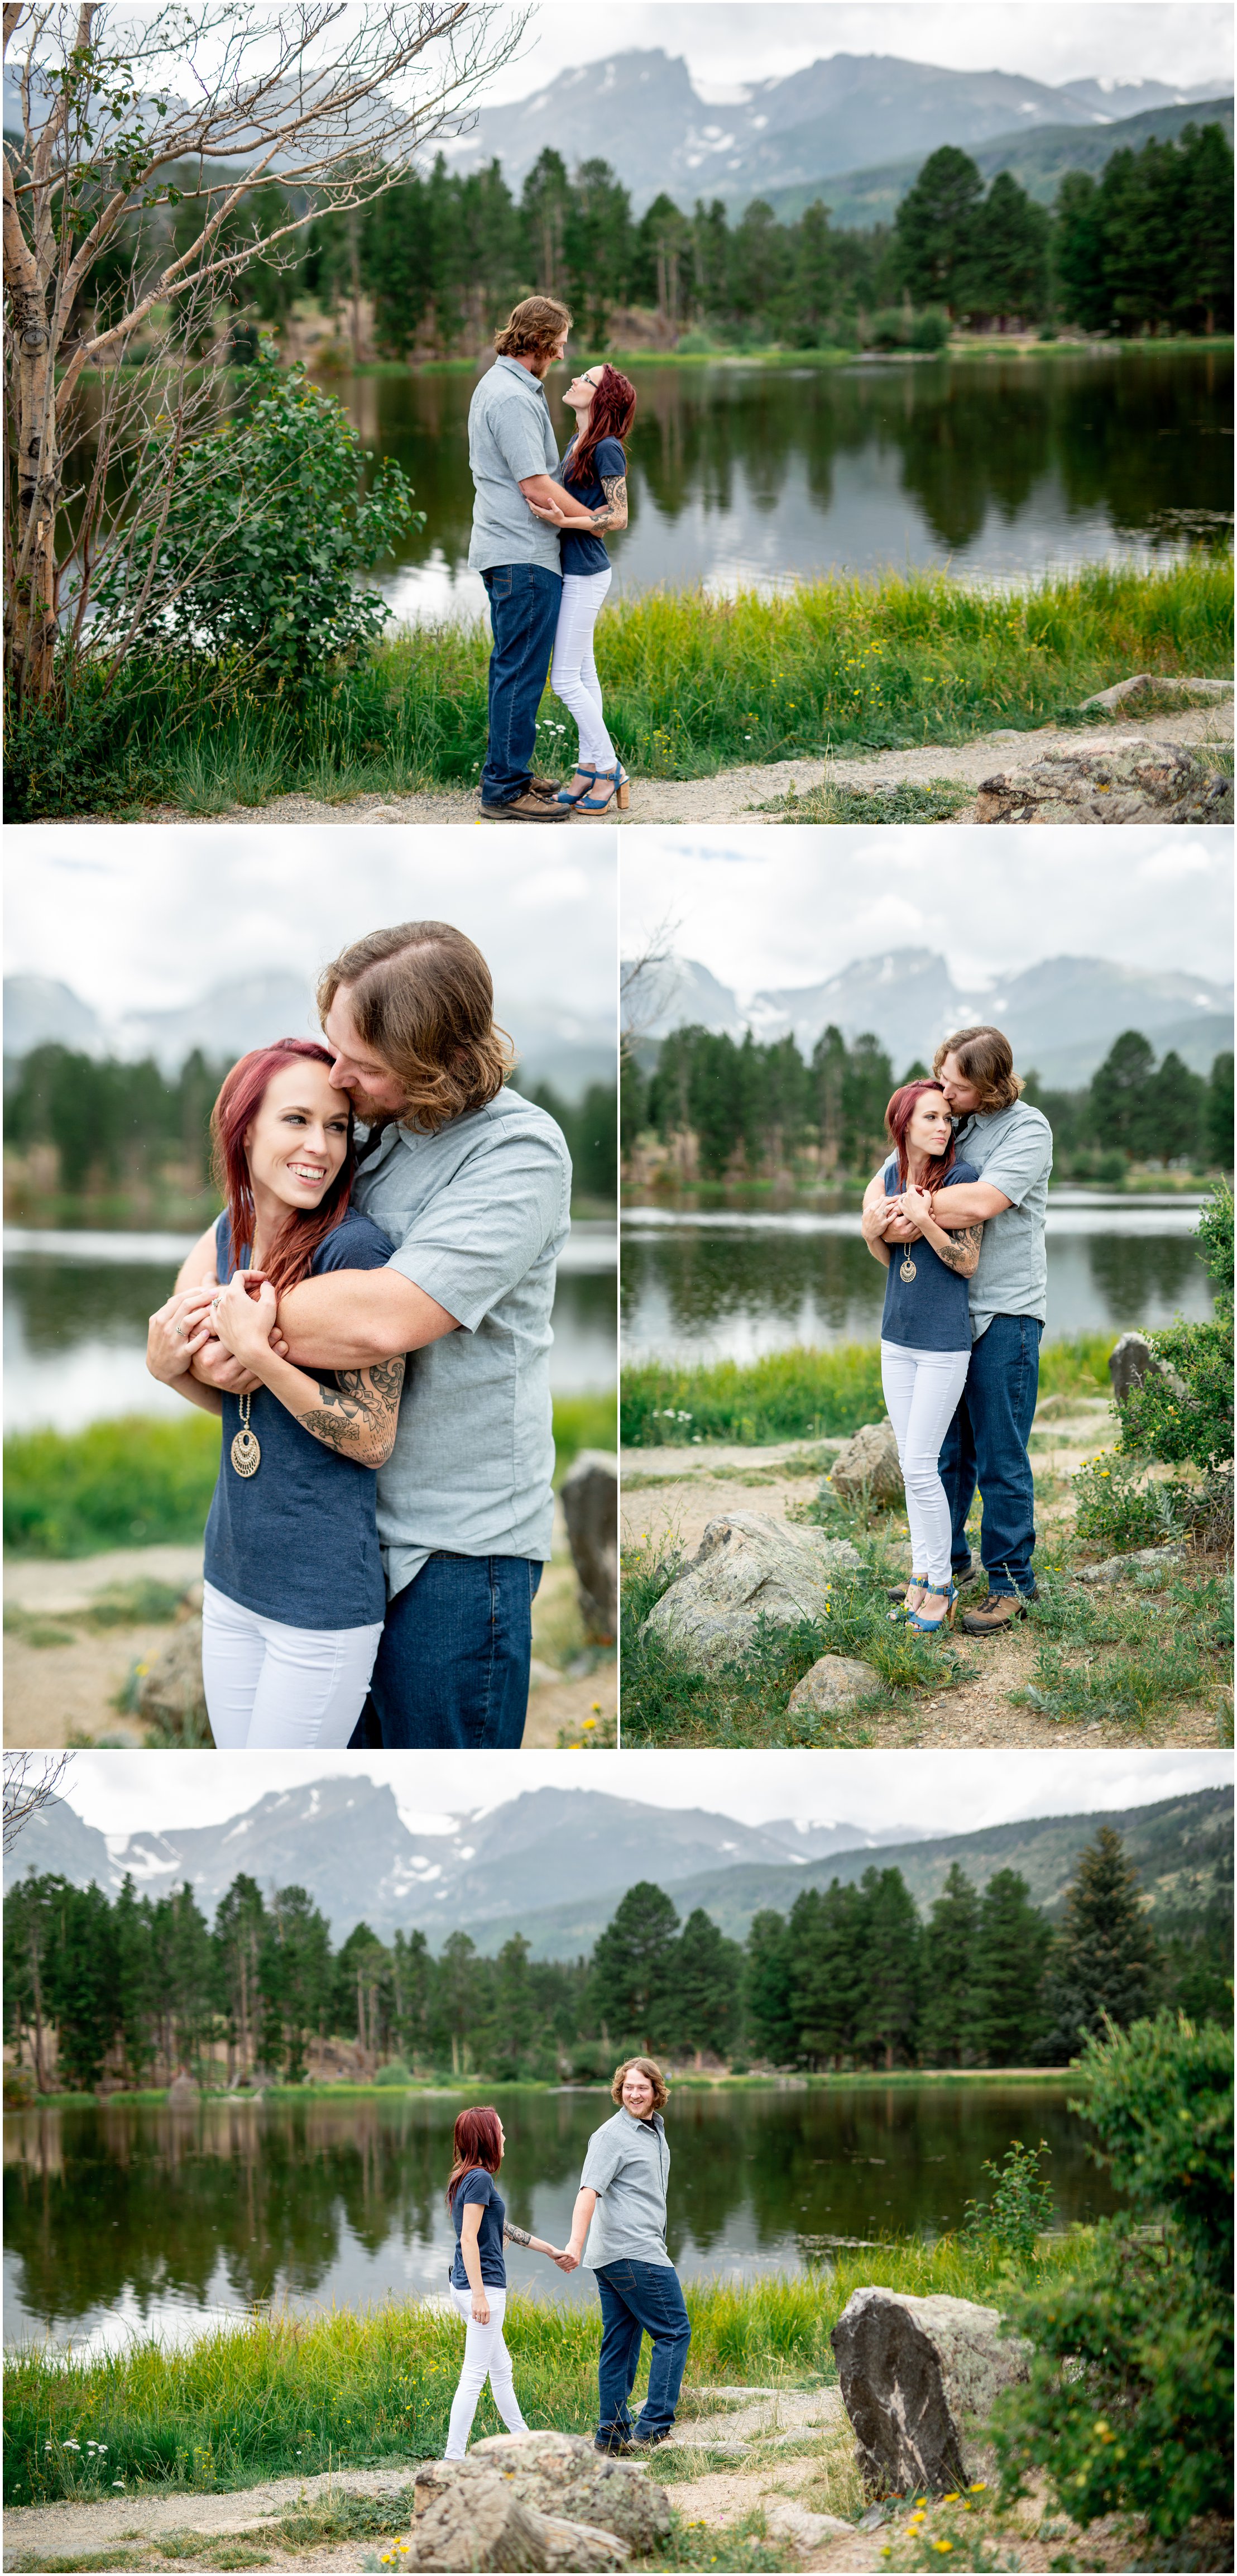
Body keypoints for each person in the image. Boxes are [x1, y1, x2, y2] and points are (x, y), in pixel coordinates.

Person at [178, 921, 572, 1749]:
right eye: (334, 1047)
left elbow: (386, 1317)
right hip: (338, 1543)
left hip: (455, 1553)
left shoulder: (517, 1150)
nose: (339, 1077)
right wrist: (191, 1319)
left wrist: (234, 1321)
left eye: (362, 1062)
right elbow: (254, 1220)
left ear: (432, 1059)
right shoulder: (372, 1126)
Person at [146, 1041, 401, 1747]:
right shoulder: (234, 1232)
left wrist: (260, 1350)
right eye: (296, 1119)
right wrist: (169, 1368)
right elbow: (241, 1410)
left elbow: (373, 1436)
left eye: (336, 1125)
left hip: (318, 1604)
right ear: (245, 1126)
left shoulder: (355, 1250)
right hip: (230, 1574)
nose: (320, 1146)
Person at [867, 1024, 1052, 1636]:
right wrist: (884, 1211)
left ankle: (1010, 1583)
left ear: (991, 1085)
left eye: (956, 1084)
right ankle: (946, 1564)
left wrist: (913, 1210)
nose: (943, 1092)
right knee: (945, 1454)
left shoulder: (1027, 1129)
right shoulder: (955, 1121)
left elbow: (978, 1203)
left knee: (999, 1454)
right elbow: (891, 1173)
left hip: (1005, 1311)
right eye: (941, 1079)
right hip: (945, 1321)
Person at [861, 1082, 983, 1634]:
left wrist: (925, 1219)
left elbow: (966, 1262)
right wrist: (874, 1228)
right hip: (896, 1338)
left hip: (942, 1345)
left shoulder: (961, 1180)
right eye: (930, 1117)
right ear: (903, 1124)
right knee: (914, 1473)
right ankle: (920, 1576)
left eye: (946, 1118)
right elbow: (887, 1256)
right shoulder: (888, 1177)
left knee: (918, 1465)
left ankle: (940, 1586)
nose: (942, 1127)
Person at [467, 295, 577, 824]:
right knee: (521, 671)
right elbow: (535, 485)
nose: (561, 354)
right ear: (539, 342)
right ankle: (505, 790)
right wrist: (600, 519)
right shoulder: (511, 397)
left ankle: (506, 770)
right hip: (523, 553)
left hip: (510, 550)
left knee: (513, 667)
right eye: (558, 344)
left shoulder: (506, 386)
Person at [559, 2057, 691, 2458]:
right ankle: (653, 2428)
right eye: (629, 2086)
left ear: (656, 2092)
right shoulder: (611, 2135)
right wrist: (575, 2245)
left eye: (643, 2087)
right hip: (633, 2252)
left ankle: (612, 2435)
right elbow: (587, 2192)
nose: (635, 2093)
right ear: (620, 2089)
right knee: (673, 2331)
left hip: (620, 2253)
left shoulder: (654, 2129)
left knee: (621, 2343)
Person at [526, 361, 636, 814]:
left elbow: (620, 515)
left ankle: (610, 769)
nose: (575, 380)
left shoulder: (607, 447)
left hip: (587, 573)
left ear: (601, 397)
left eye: (586, 380)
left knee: (565, 681)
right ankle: (587, 770)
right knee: (584, 676)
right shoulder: (578, 442)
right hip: (574, 570)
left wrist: (564, 520)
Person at [444, 2104, 567, 2461]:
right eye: (499, 2130)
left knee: (501, 2369)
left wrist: (549, 2250)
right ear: (486, 2137)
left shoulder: (466, 2176)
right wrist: (481, 2297)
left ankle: (524, 2440)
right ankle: (453, 2459)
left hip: (463, 2285)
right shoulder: (480, 2178)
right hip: (482, 2290)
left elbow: (498, 2228)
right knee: (474, 2376)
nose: (504, 2136)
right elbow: (469, 2239)